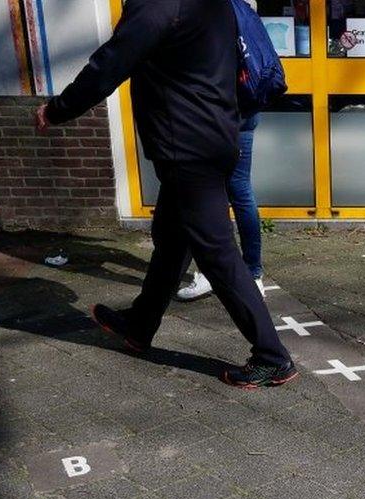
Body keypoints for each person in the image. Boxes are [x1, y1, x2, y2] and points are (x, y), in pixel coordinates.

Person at [35, 0, 297, 388]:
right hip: (212, 135)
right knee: (172, 242)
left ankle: (272, 357)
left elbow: (110, 64)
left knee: (217, 252)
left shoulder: (159, 5)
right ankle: (140, 325)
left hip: (188, 149)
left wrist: (58, 110)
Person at [176, 113, 265, 301]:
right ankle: (253, 275)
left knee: (210, 189)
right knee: (241, 190)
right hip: (244, 114)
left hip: (212, 116)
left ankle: (211, 273)